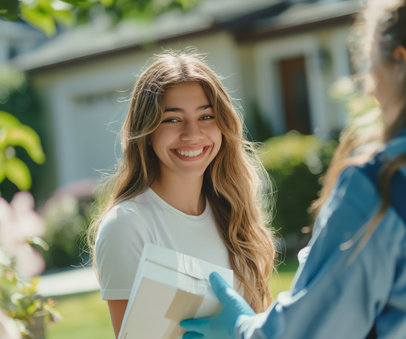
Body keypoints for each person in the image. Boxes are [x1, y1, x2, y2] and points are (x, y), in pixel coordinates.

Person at [180, 0, 406, 337]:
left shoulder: (381, 184)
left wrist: (238, 326)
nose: (368, 86)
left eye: (367, 64)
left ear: (400, 60)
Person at [87, 51, 276, 338]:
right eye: (172, 119)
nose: (192, 134)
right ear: (146, 131)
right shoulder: (126, 227)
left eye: (206, 116)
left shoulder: (234, 213)